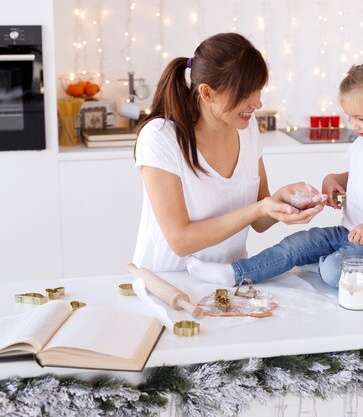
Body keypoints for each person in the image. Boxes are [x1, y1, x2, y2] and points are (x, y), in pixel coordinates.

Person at [187, 59, 363, 287]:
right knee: (294, 244)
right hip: (347, 233)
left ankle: (323, 263)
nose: (354, 125)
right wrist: (333, 180)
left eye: (361, 118)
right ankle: (235, 273)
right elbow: (359, 174)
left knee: (334, 271)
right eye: (350, 118)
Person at [132, 32, 325, 274]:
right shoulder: (160, 137)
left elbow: (258, 221)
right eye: (245, 94)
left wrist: (282, 202)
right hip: (169, 283)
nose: (257, 103)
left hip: (228, 279)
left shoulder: (247, 129)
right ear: (207, 93)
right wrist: (260, 208)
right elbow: (181, 241)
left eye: (258, 90)